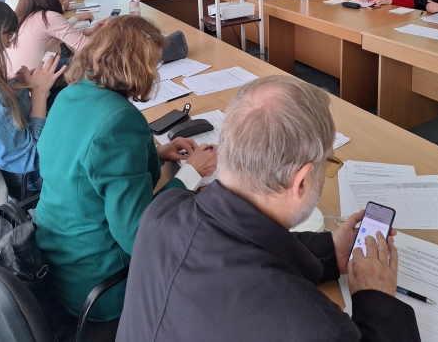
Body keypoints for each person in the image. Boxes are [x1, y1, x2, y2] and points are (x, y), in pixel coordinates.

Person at [117, 76, 420, 342]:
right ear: (301, 181)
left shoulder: (164, 208)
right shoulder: (315, 327)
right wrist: (375, 298)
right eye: (327, 163)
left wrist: (328, 251)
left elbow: (241, 240)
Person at [35, 15, 217, 326]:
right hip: (100, 286)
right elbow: (138, 234)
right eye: (153, 65)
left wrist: (154, 152)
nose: (155, 73)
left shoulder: (70, 94)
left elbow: (88, 163)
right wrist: (191, 173)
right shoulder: (119, 119)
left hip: (58, 261)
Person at [0, 1, 64, 196]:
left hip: (21, 166)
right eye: (8, 35)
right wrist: (39, 95)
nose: (10, 44)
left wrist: (15, 86)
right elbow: (33, 157)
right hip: (30, 175)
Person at [7, 0, 106, 75]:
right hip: (33, 80)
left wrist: (90, 31)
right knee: (97, 66)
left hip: (18, 78)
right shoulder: (47, 17)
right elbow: (87, 47)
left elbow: (58, 36)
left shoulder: (26, 14)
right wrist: (110, 32)